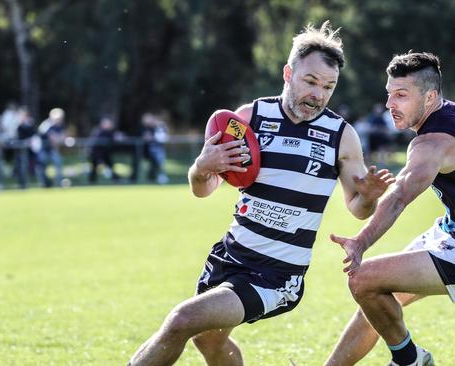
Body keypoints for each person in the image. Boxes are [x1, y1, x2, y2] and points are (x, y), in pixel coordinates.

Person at [127, 21, 396, 366]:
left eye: (328, 87)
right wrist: (201, 166)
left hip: (276, 275)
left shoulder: (340, 135)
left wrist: (370, 196)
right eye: (310, 82)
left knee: (183, 319)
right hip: (230, 256)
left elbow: (358, 208)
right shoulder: (249, 118)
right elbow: (203, 189)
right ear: (288, 73)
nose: (318, 95)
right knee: (208, 341)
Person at [324, 52, 455, 366]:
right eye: (389, 94)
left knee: (363, 280)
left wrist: (360, 242)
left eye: (401, 96)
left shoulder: (431, 144)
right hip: (451, 233)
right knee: (376, 300)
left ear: (430, 96)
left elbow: (398, 198)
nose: (389, 104)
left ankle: (410, 360)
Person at [36, 108, 66, 187]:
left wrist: (58, 139)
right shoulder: (46, 124)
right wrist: (57, 138)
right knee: (41, 168)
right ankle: (44, 184)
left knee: (58, 165)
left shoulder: (59, 126)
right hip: (43, 149)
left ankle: (58, 184)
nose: (59, 120)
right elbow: (51, 137)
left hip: (52, 150)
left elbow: (62, 137)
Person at [87, 116, 120, 183]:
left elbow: (114, 136)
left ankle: (115, 179)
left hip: (104, 154)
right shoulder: (99, 131)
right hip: (96, 153)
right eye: (107, 123)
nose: (108, 125)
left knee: (110, 166)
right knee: (94, 168)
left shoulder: (109, 132)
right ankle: (92, 182)